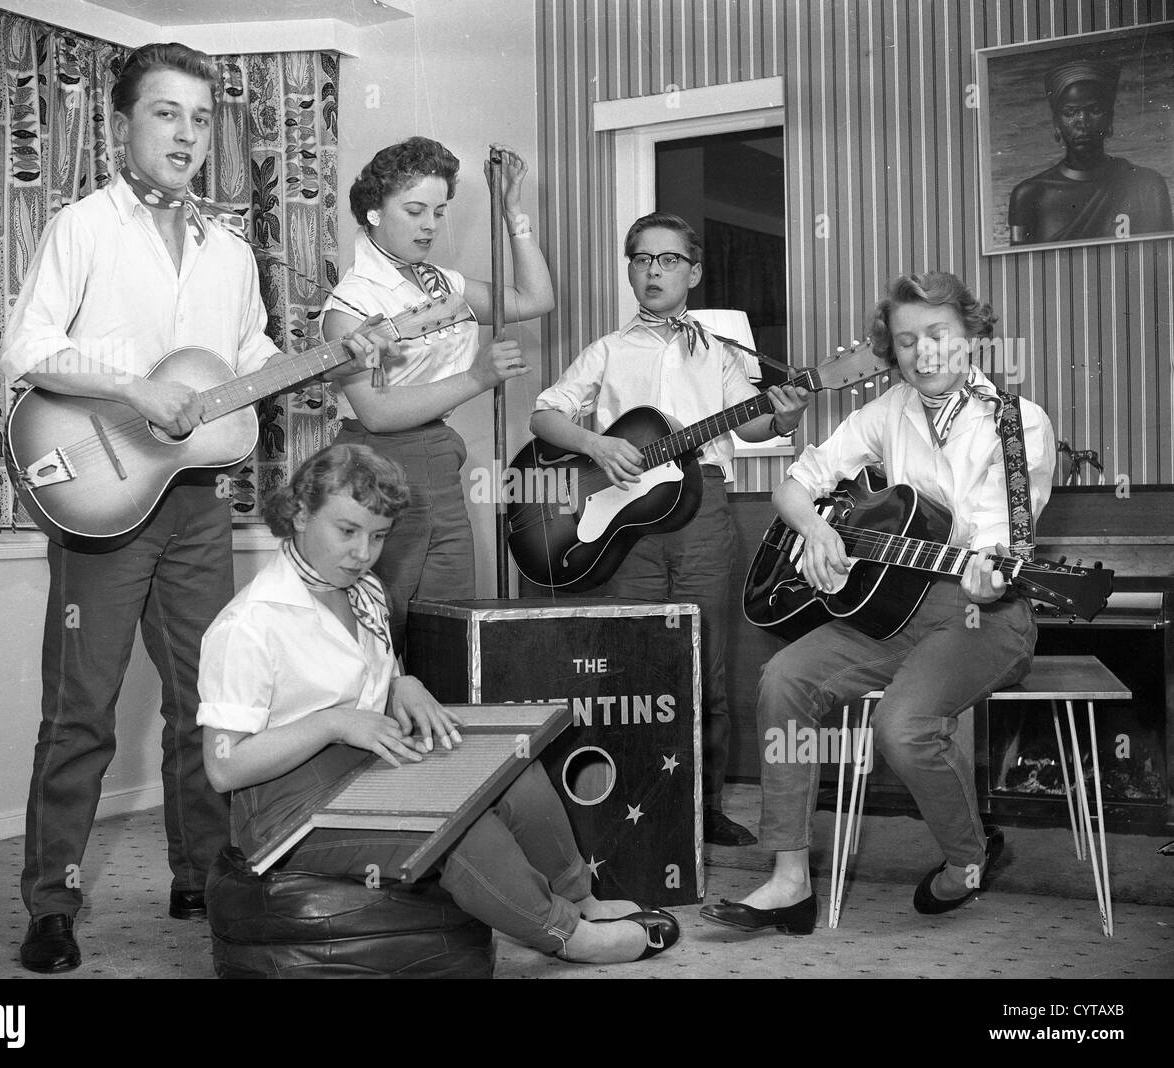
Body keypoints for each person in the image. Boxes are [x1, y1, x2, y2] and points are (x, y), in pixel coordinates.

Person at [0, 43, 386, 974]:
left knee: (205, 703)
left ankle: (198, 873)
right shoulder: (82, 227)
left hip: (200, 502)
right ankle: (52, 902)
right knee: (81, 712)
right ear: (122, 122)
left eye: (201, 118)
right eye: (166, 113)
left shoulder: (231, 251)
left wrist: (339, 358)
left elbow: (253, 363)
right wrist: (133, 389)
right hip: (102, 503)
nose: (186, 134)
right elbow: (27, 349)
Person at [197, 443, 680, 964]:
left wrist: (401, 684)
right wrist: (332, 724)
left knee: (512, 765)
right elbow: (224, 767)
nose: (363, 552)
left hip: (365, 769)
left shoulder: (365, 591)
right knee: (456, 823)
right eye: (347, 531)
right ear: (298, 514)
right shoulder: (247, 625)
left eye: (378, 536)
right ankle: (568, 936)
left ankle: (580, 899)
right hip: (285, 812)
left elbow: (369, 675)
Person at [700, 271, 1056, 935]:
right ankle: (788, 881)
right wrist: (816, 528)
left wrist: (988, 579)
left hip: (982, 615)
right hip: (890, 610)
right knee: (783, 680)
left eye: (938, 333)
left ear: (971, 334)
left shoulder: (1017, 423)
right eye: (906, 340)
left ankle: (968, 857)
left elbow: (1002, 545)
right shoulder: (887, 410)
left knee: (903, 726)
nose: (924, 352)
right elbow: (795, 485)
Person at [529, 212, 811, 848]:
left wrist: (785, 416)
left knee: (703, 660)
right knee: (632, 662)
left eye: (669, 260)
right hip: (626, 523)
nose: (653, 271)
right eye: (642, 259)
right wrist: (596, 445)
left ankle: (704, 808)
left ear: (695, 272)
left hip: (703, 511)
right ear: (630, 271)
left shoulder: (722, 352)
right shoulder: (607, 350)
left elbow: (751, 426)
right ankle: (629, 804)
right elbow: (545, 416)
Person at [321, 137, 554, 653]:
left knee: (448, 630)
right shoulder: (352, 302)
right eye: (415, 211)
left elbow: (534, 299)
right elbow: (377, 412)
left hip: (441, 463)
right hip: (377, 463)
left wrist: (512, 212)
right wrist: (477, 378)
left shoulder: (439, 284)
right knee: (382, 628)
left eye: (439, 211)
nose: (430, 225)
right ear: (374, 212)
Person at [1008, 58, 1173, 245]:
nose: (1083, 122)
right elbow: (1021, 262)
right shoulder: (1029, 195)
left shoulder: (1147, 185)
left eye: (1095, 110)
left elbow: (1161, 255)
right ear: (1056, 124)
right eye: (1070, 112)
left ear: (1110, 119)